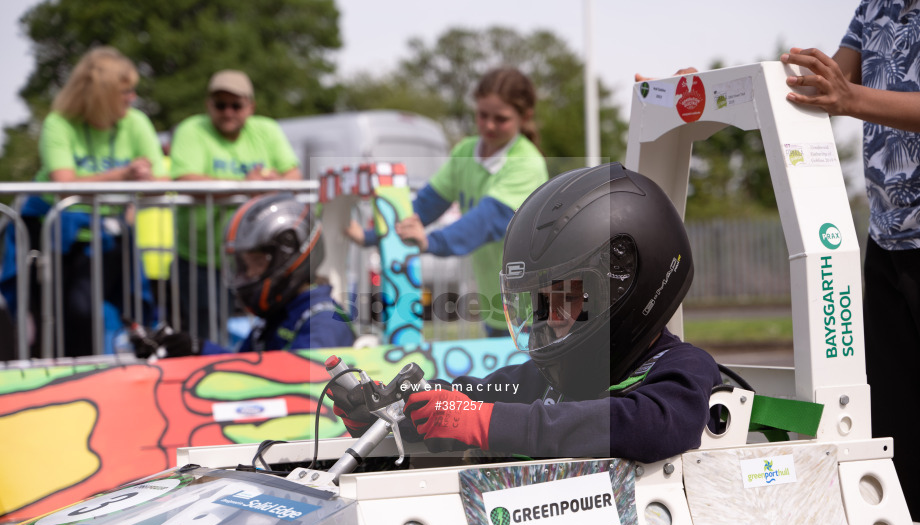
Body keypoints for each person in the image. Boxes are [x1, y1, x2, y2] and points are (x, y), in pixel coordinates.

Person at [335, 163, 722, 462]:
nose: (546, 315)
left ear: (623, 289)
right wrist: (395, 412)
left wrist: (490, 424)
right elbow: (482, 394)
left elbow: (649, 427)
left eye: (564, 297)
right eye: (539, 300)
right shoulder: (547, 380)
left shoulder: (685, 368)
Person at [781, 1, 920, 519]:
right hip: (888, 236)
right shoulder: (876, 6)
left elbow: (845, 92)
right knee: (895, 420)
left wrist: (851, 97)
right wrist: (698, 91)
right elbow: (822, 81)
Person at [345, 66, 548, 337]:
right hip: (498, 301)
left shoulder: (528, 163)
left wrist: (430, 242)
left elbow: (485, 222)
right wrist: (371, 235)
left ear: (525, 117)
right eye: (482, 115)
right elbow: (425, 205)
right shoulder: (466, 151)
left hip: (535, 306)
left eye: (500, 119)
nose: (488, 125)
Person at [0, 46, 165, 357]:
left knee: (126, 312)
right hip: (50, 238)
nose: (132, 98)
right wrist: (124, 175)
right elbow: (65, 186)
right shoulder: (58, 123)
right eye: (125, 91)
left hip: (107, 235)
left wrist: (145, 180)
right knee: (68, 318)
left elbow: (161, 183)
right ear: (102, 93)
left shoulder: (136, 122)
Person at [133, 192, 354, 358]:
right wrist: (192, 349)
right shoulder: (276, 317)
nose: (247, 275)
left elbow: (288, 386)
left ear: (288, 259)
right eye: (243, 266)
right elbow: (244, 367)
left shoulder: (323, 322)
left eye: (254, 264)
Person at [169, 69, 302, 338]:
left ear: (250, 107)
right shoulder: (191, 129)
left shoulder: (267, 129)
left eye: (236, 105)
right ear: (209, 105)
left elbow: (293, 175)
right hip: (202, 258)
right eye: (220, 104)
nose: (228, 111)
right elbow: (185, 180)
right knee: (207, 336)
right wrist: (245, 185)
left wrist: (273, 183)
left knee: (265, 330)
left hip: (259, 261)